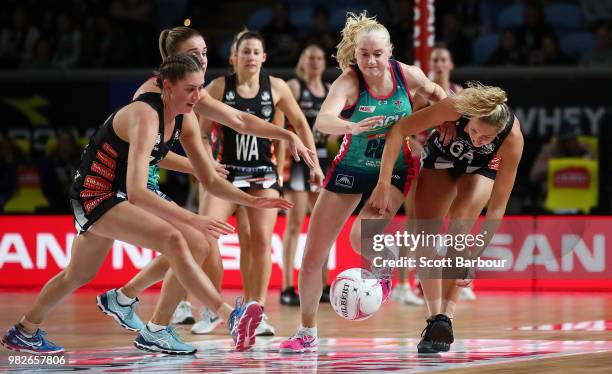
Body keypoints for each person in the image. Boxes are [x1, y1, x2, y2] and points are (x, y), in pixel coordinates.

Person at [0, 54, 276, 355]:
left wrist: (250, 200)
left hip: (121, 192)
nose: (197, 96)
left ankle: (27, 329)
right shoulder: (146, 113)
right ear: (168, 87)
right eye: (190, 89)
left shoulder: (186, 117)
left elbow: (207, 178)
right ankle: (228, 316)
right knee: (177, 238)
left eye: (200, 89)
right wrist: (192, 219)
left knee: (81, 273)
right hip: (96, 192)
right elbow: (137, 192)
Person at [94, 26, 314, 347]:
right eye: (194, 54)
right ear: (172, 60)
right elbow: (155, 158)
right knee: (193, 240)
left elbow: (238, 120)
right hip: (118, 185)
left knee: (79, 274)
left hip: (135, 182)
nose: (202, 59)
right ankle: (207, 314)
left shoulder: (191, 91)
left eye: (205, 52)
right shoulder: (150, 100)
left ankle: (126, 302)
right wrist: (199, 170)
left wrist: (286, 135)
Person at [279, 12, 447, 353]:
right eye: (363, 54)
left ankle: (383, 269)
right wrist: (350, 127)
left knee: (361, 237)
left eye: (377, 54)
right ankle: (306, 331)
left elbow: (436, 91)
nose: (370, 61)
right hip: (352, 166)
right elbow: (324, 120)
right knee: (313, 256)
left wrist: (448, 121)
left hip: (396, 169)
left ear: (390, 52)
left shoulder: (406, 74)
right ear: (354, 55)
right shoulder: (349, 82)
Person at [370, 82, 524, 353]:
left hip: (480, 169)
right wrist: (383, 182)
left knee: (459, 227)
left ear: (499, 133)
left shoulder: (512, 139)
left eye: (486, 138)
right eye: (474, 130)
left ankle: (447, 318)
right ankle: (433, 318)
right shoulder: (456, 106)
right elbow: (399, 130)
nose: (477, 140)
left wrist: (475, 255)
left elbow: (497, 208)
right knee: (424, 234)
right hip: (441, 159)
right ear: (470, 115)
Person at [199, 30, 324, 336]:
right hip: (227, 173)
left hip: (263, 174)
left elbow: (301, 126)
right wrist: (208, 163)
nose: (251, 57)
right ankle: (211, 307)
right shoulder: (218, 87)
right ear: (234, 58)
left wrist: (314, 165)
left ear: (264, 57)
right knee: (204, 236)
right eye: (246, 52)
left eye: (256, 52)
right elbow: (200, 134)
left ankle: (256, 310)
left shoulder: (277, 87)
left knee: (261, 242)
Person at [281, 45, 335, 306]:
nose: (314, 61)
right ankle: (287, 286)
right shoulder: (293, 86)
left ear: (324, 63)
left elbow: (333, 132)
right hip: (297, 161)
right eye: (310, 57)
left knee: (324, 225)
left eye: (318, 57)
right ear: (302, 61)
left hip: (321, 158)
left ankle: (324, 284)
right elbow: (281, 126)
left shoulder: (329, 91)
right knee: (294, 224)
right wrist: (281, 165)